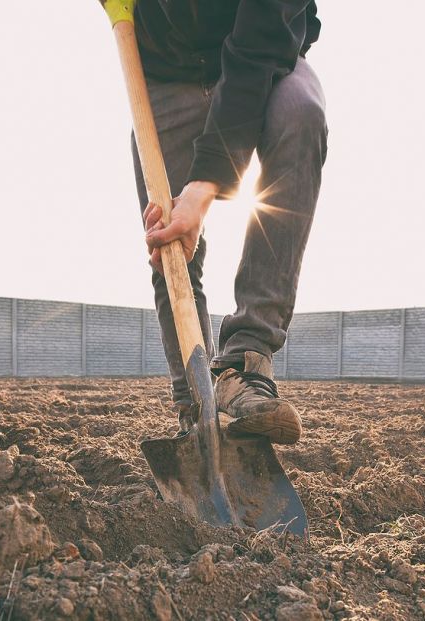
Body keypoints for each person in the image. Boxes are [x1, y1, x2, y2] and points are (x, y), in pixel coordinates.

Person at [133, 0, 328, 445]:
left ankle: (246, 361)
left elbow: (259, 40)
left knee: (300, 114)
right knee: (168, 237)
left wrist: (206, 184)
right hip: (167, 71)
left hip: (267, 56)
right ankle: (195, 401)